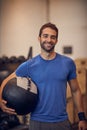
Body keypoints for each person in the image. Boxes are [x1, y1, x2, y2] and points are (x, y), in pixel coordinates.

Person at [0, 22, 87, 130]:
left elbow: (76, 91)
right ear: (39, 38)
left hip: (61, 122)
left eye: (53, 37)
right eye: (45, 36)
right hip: (37, 123)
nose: (49, 40)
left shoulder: (67, 63)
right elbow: (5, 81)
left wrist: (82, 118)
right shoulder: (29, 65)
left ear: (56, 40)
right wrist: (0, 101)